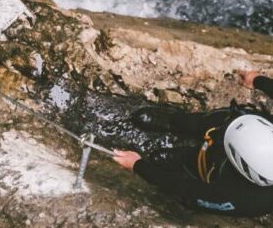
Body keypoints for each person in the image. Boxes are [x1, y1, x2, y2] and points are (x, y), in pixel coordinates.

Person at [112, 69, 273, 216]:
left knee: (205, 167)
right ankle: (175, 121)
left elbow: (188, 190)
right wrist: (257, 80)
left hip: (224, 175)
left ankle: (188, 161)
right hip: (248, 125)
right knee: (216, 121)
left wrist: (138, 166)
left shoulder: (249, 201)